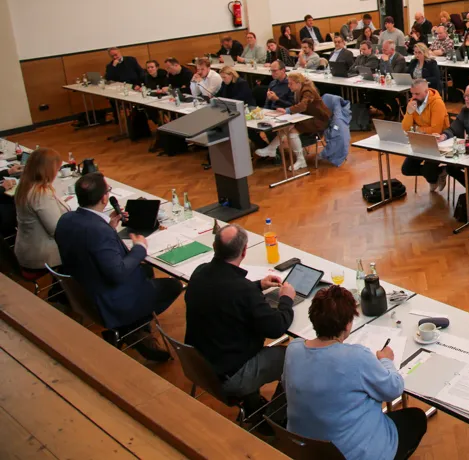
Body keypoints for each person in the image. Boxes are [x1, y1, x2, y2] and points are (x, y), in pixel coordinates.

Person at [284, 285, 427, 460]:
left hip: (303, 448)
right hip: (351, 453)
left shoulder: (293, 349)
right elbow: (394, 389)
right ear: (348, 324)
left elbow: (287, 384)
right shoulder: (356, 357)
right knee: (416, 418)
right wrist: (386, 361)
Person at [54, 172, 182, 362]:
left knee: (146, 270)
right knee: (174, 285)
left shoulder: (66, 219)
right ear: (105, 197)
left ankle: (136, 328)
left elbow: (87, 248)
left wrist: (110, 227)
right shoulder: (98, 231)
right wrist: (139, 248)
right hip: (113, 301)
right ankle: (133, 327)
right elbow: (118, 273)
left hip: (85, 289)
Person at [185, 225, 293, 420]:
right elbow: (277, 327)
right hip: (230, 375)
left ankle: (253, 406)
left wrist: (258, 285)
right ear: (244, 252)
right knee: (295, 360)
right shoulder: (242, 290)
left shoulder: (200, 272)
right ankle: (275, 418)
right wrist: (286, 299)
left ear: (214, 246)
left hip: (199, 364)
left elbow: (221, 293)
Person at [259, 73, 331, 170]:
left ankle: (298, 159)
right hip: (307, 117)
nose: (288, 86)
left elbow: (302, 106)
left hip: (319, 120)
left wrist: (288, 110)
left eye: (291, 84)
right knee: (287, 126)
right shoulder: (299, 90)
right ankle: (273, 149)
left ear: (298, 83)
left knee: (292, 129)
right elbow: (297, 106)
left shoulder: (308, 91)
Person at [13, 147, 68, 271]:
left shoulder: (24, 186)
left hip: (26, 250)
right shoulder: (40, 193)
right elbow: (57, 230)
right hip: (43, 257)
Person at [400, 78, 448, 191]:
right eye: (412, 93)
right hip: (420, 141)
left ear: (426, 92)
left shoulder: (437, 103)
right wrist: (408, 113)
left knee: (428, 169)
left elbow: (436, 129)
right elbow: (406, 128)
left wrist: (416, 129)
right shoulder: (413, 102)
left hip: (438, 142)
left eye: (417, 94)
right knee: (406, 169)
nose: (414, 96)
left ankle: (432, 176)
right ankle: (440, 173)